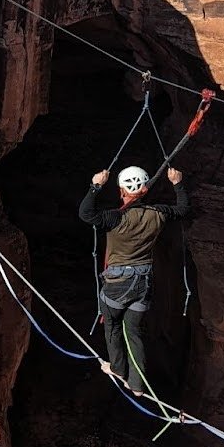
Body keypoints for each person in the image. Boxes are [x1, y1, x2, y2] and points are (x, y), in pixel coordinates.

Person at [79, 165, 188, 396]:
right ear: (145, 189)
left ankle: (118, 369)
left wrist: (96, 185)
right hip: (143, 284)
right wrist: (177, 183)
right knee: (134, 331)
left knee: (112, 325)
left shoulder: (114, 218)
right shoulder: (158, 213)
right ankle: (137, 385)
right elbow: (182, 209)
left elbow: (86, 213)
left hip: (117, 283)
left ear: (121, 191)